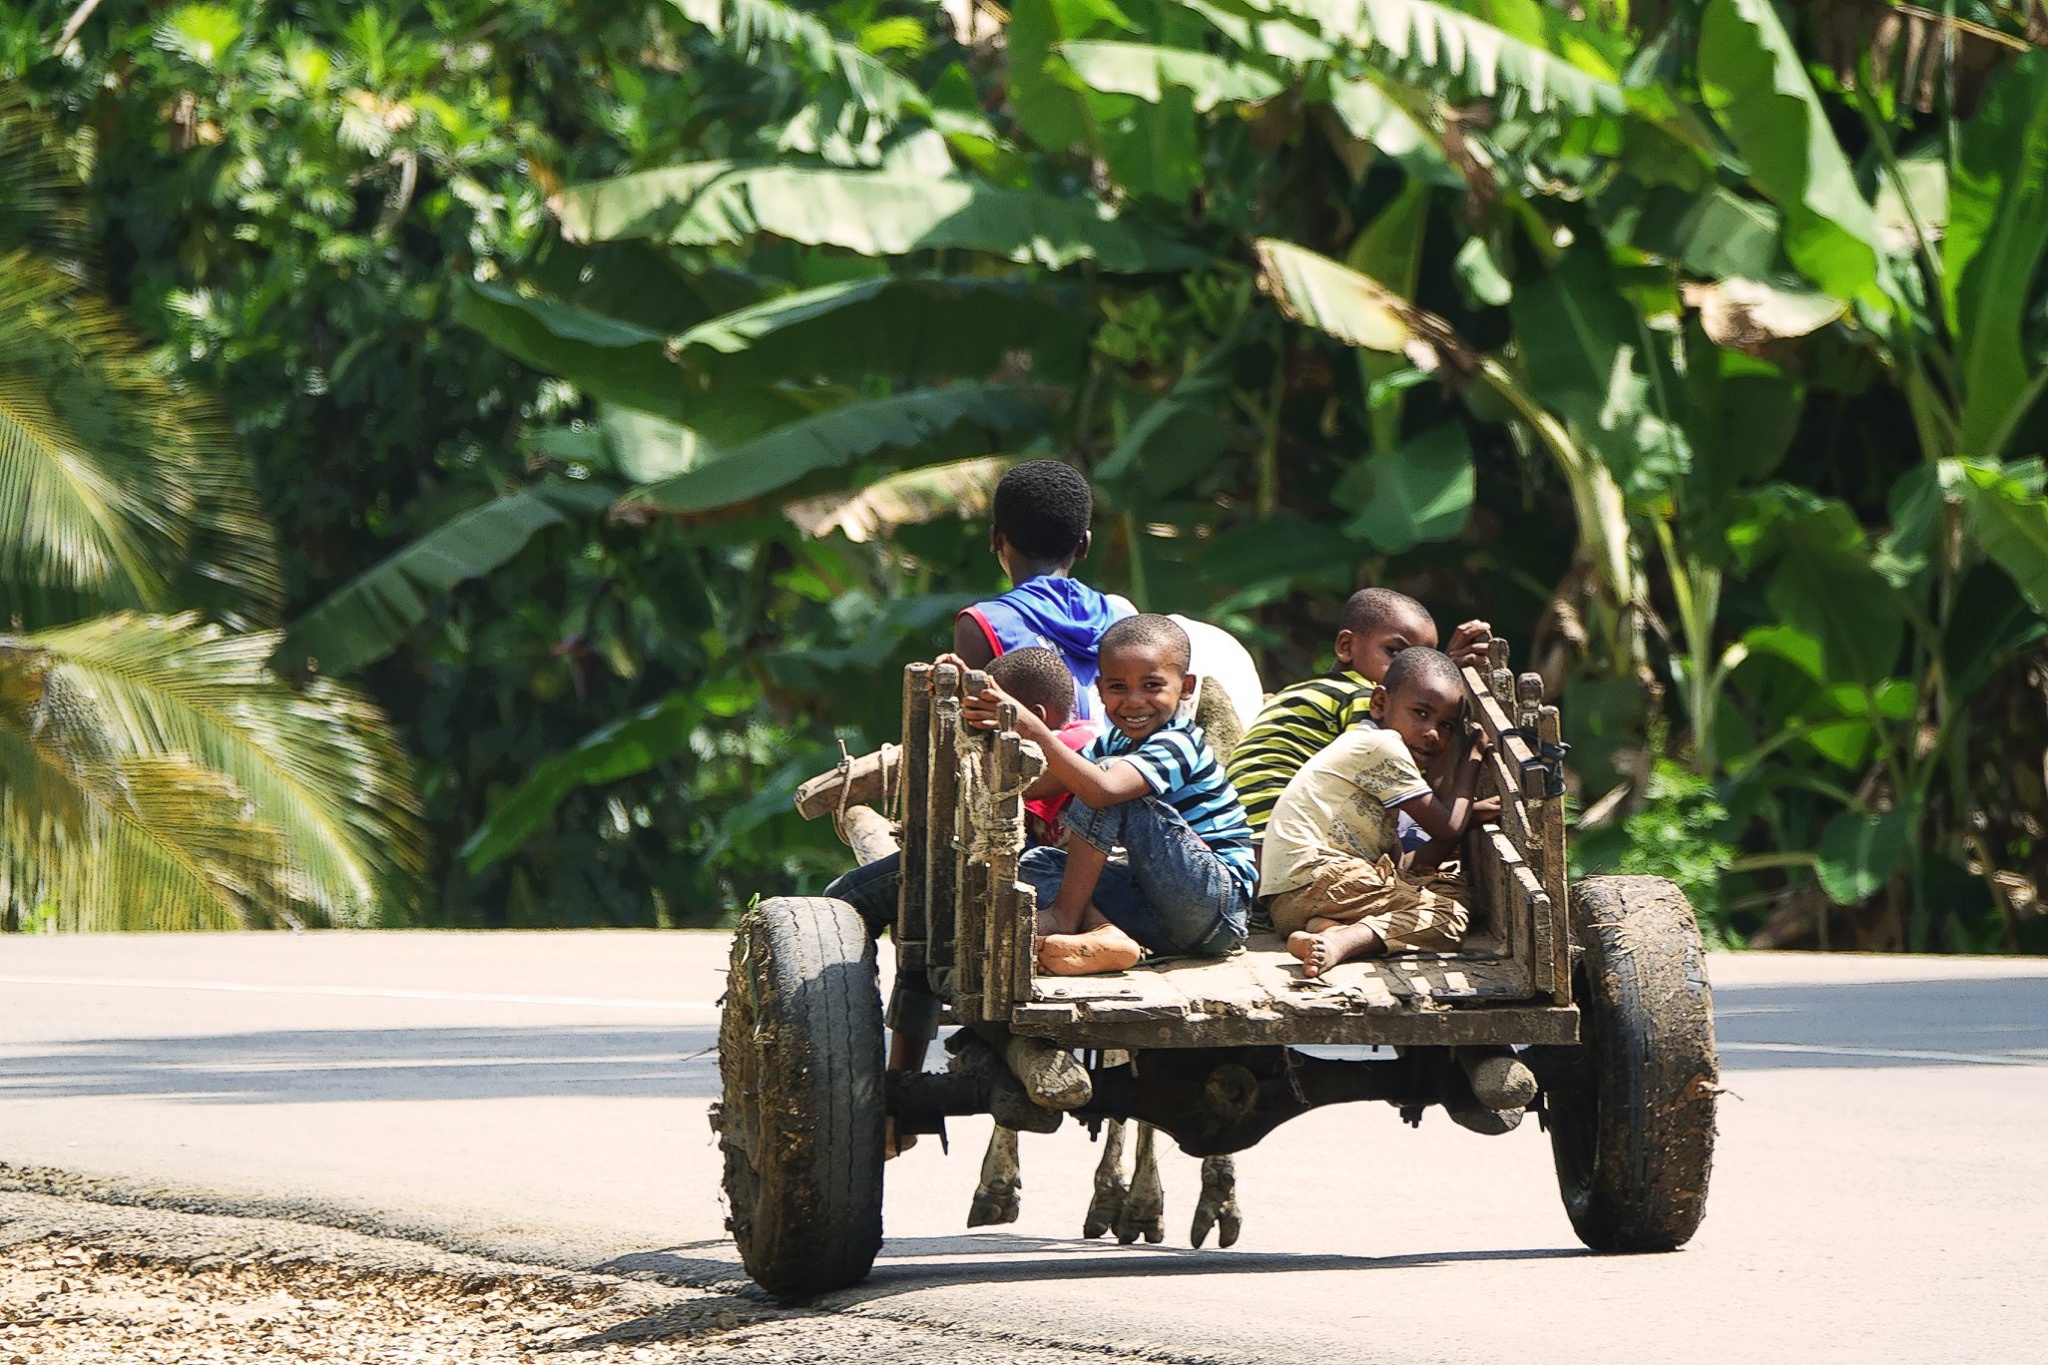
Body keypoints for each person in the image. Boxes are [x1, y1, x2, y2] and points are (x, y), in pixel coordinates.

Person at [965, 614, 1256, 977]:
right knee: (1039, 861)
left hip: (1216, 908)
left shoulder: (1179, 741)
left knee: (1107, 781)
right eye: (1118, 687)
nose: (1134, 702)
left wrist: (1033, 727)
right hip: (1158, 913)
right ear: (1100, 689)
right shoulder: (1113, 741)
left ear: (1185, 687)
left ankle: (1067, 917)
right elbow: (1040, 785)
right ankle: (1107, 936)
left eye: (1152, 685)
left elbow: (1103, 789)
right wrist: (979, 706)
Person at [1257, 646, 1500, 979]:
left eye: (1446, 726)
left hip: (1294, 901)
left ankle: (1325, 931)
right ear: (1380, 703)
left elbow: (1408, 864)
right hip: (1320, 878)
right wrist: (1472, 758)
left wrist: (1469, 817)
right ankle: (1345, 941)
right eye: (1421, 713)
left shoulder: (1381, 759)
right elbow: (1447, 829)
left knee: (1440, 884)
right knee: (1449, 916)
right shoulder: (1383, 746)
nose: (1432, 733)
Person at [1226, 587, 1491, 836]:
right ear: (1346, 646)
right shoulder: (1361, 698)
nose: (1407, 669)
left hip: (1241, 833)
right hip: (1279, 833)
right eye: (1394, 653)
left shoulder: (1310, 691)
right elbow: (1425, 803)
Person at [952, 460, 1133, 727]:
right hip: (1121, 767)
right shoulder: (1123, 617)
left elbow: (971, 733)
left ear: (995, 539)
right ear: (1083, 545)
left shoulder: (981, 624)